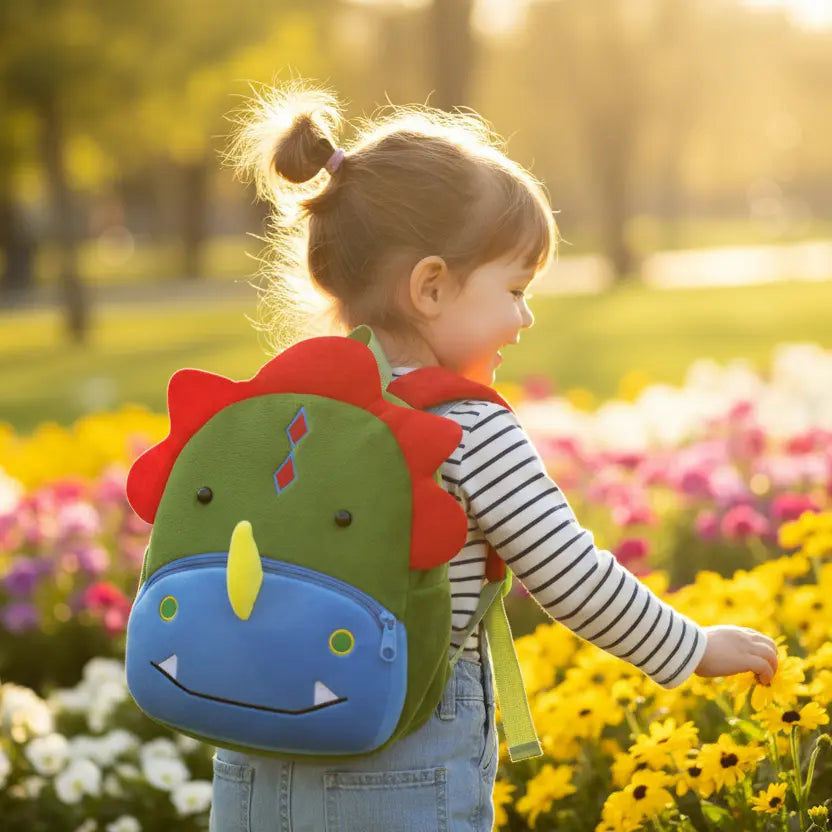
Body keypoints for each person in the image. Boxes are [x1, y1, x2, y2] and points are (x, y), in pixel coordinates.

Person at [211, 80, 779, 832]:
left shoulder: (282, 413)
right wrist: (692, 647)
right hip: (396, 767)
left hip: (251, 764)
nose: (526, 315)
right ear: (432, 288)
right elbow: (569, 576)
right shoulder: (464, 425)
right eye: (514, 288)